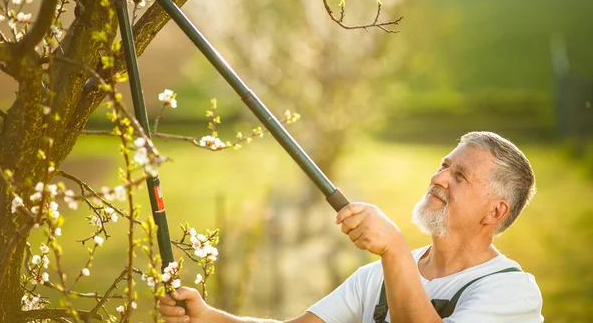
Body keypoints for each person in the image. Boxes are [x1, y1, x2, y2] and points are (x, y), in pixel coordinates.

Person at [159, 131, 543, 323]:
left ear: (495, 212)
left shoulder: (510, 292)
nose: (438, 178)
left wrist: (393, 248)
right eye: (444, 165)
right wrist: (209, 317)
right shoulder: (375, 277)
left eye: (459, 175)